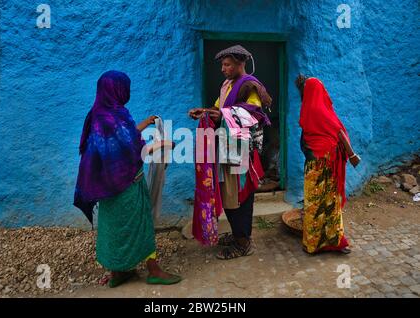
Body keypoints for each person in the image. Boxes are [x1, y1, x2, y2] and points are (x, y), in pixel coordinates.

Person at [74, 70, 181, 287]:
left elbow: (121, 139)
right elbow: (134, 150)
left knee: (113, 229)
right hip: (127, 185)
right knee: (141, 225)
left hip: (107, 188)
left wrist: (144, 123)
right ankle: (153, 270)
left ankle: (118, 272)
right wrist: (164, 144)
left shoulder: (97, 114)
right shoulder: (117, 116)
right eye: (126, 88)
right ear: (118, 90)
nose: (128, 92)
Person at [189, 45, 272, 259]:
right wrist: (205, 111)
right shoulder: (227, 85)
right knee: (229, 195)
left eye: (227, 65)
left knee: (240, 196)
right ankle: (238, 234)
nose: (223, 69)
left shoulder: (250, 86)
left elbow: (251, 116)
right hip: (228, 149)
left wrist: (220, 117)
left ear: (240, 64)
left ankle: (243, 242)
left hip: (242, 152)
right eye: (222, 65)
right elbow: (220, 109)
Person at [296, 74, 361, 254]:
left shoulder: (306, 110)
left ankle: (313, 243)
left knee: (314, 205)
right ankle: (333, 240)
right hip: (327, 165)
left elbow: (306, 140)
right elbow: (339, 132)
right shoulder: (321, 110)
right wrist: (352, 154)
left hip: (314, 167)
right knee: (330, 203)